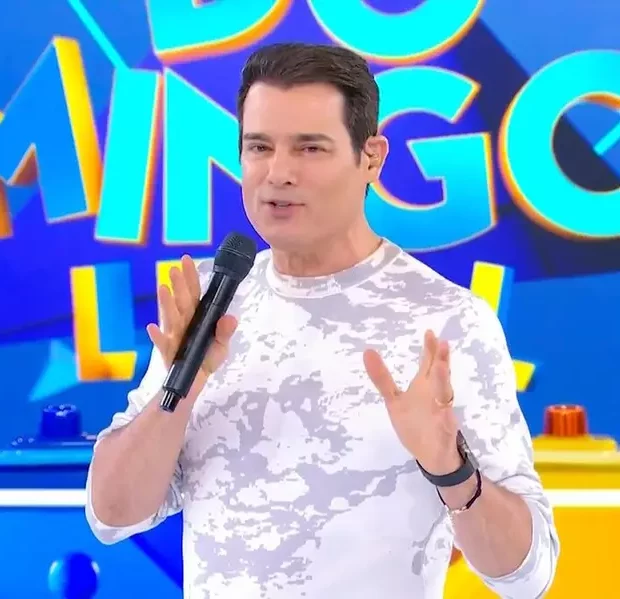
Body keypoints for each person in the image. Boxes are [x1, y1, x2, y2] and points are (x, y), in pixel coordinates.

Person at [85, 42, 559, 598]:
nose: (278, 173)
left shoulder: (446, 321)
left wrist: (450, 468)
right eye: (259, 147)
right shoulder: (214, 302)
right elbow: (111, 516)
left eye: (310, 148)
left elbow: (527, 576)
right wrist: (181, 390)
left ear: (371, 157)